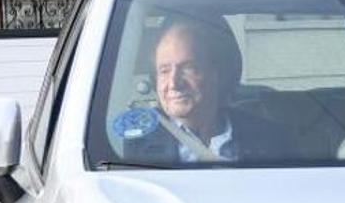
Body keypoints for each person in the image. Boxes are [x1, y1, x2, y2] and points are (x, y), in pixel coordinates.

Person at [122, 18, 295, 163]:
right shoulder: (129, 144)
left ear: (219, 73)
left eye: (188, 68)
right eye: (164, 70)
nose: (174, 83)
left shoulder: (269, 139)